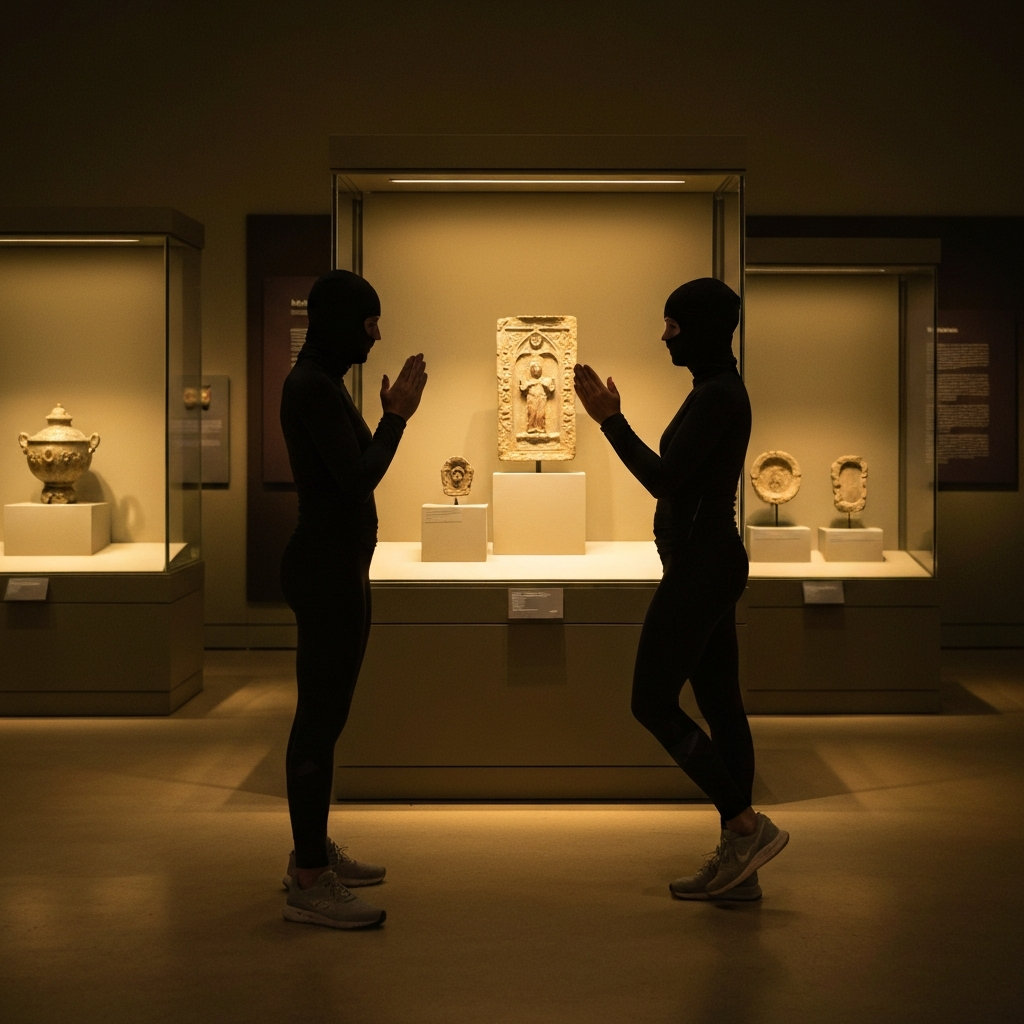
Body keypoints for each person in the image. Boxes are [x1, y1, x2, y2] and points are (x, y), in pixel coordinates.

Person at [573, 278, 788, 901]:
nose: (665, 335)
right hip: (705, 564)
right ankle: (741, 867)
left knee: (651, 702)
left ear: (702, 329)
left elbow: (665, 479)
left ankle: (745, 826)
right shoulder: (713, 389)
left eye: (673, 324)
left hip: (701, 568)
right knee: (721, 707)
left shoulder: (718, 394)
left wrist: (611, 422)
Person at [278, 270, 427, 928]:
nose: (376, 336)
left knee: (328, 717)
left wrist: (390, 417)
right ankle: (310, 878)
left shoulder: (324, 382)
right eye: (369, 323)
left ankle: (310, 853)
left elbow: (358, 466)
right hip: (324, 568)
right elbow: (359, 475)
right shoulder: (311, 385)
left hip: (337, 566)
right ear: (341, 322)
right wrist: (395, 418)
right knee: (318, 720)